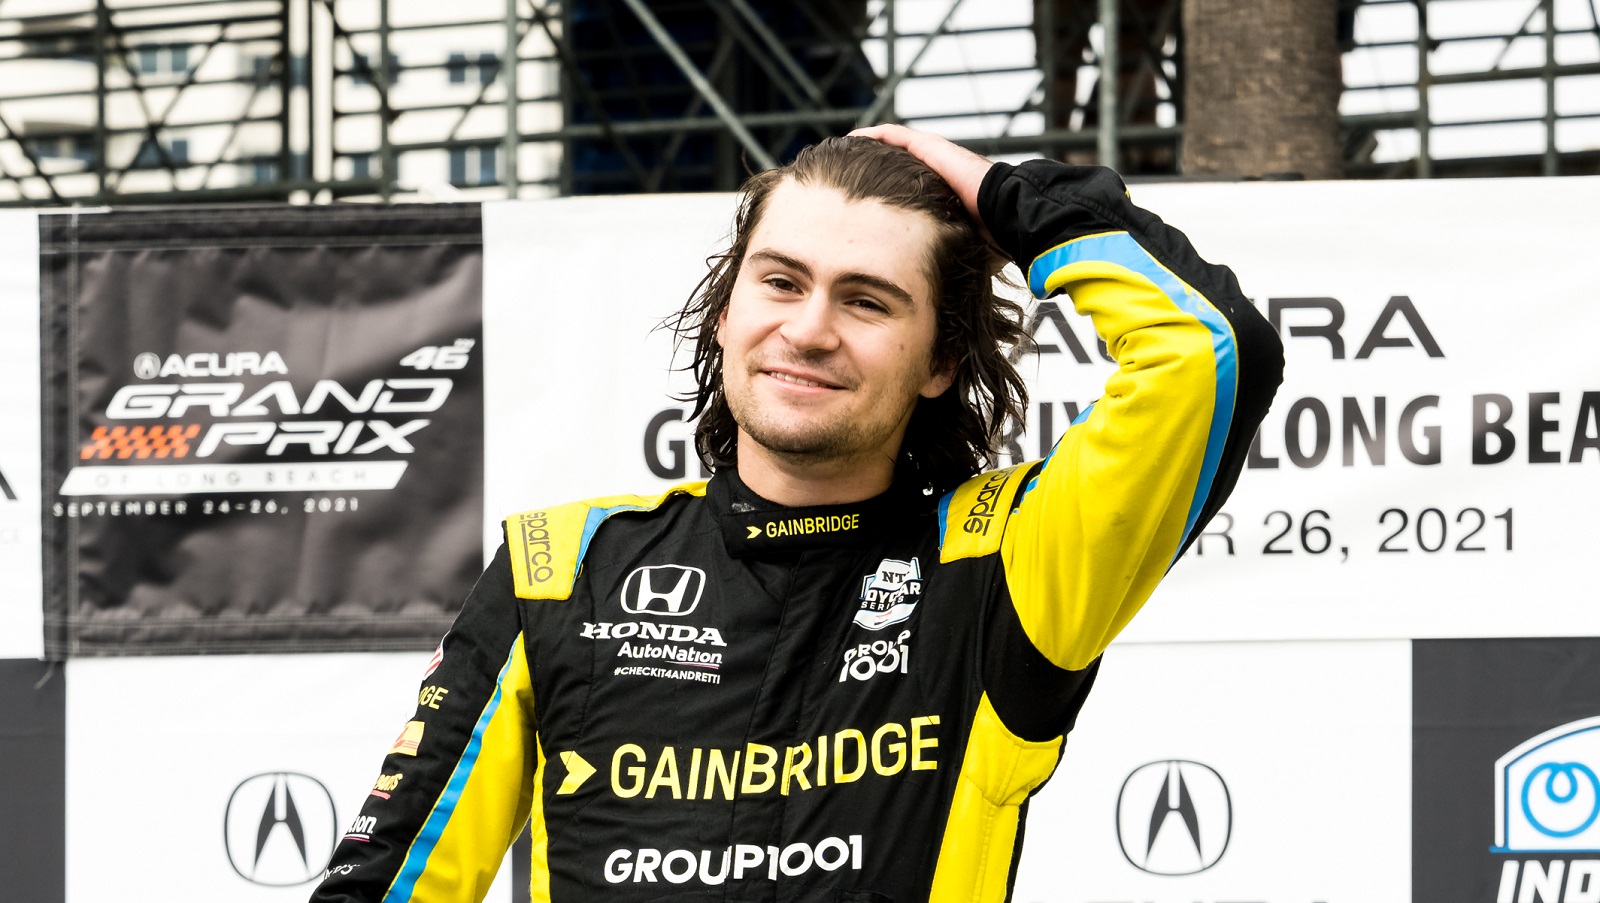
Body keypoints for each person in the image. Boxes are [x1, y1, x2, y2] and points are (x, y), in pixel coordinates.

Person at [310, 125, 1282, 903]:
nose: (807, 329)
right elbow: (385, 884)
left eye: (866, 302)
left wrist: (1006, 197)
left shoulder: (1014, 560)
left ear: (941, 362)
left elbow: (1206, 351)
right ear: (727, 311)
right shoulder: (557, 565)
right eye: (778, 281)